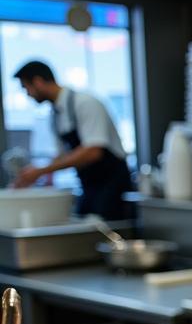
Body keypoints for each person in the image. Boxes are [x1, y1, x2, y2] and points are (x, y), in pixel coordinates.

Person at [12, 60, 134, 220]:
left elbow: (93, 151)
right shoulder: (54, 115)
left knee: (110, 232)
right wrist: (35, 175)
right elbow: (61, 155)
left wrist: (42, 170)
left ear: (38, 82)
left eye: (26, 87)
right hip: (88, 185)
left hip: (112, 184)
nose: (27, 94)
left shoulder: (86, 103)